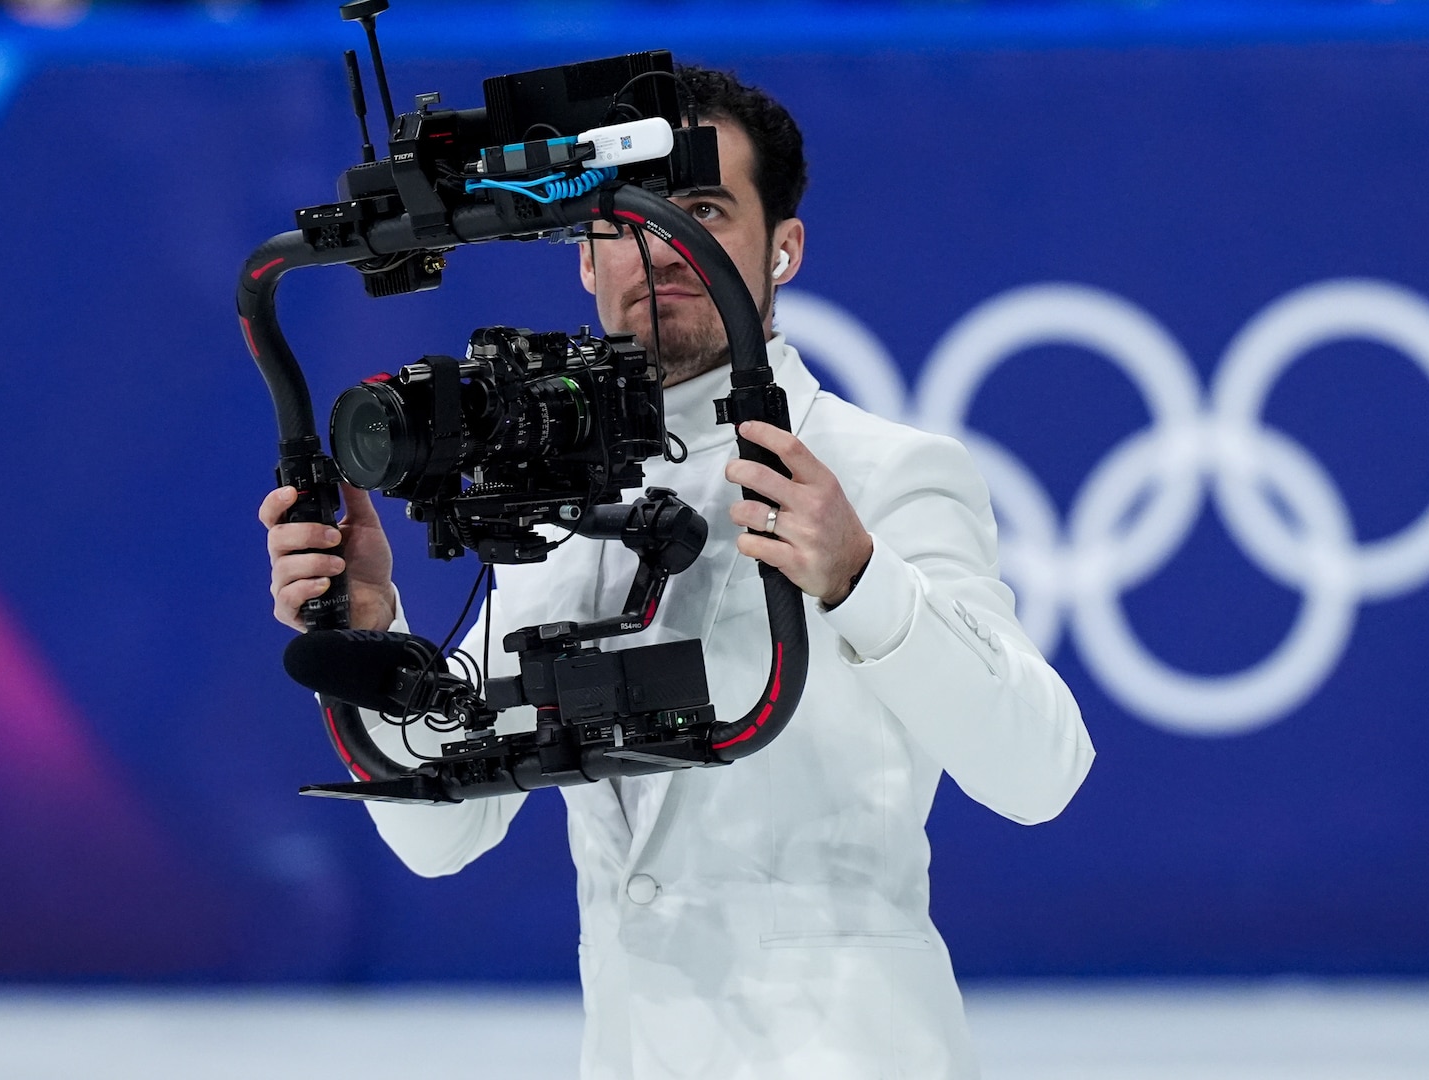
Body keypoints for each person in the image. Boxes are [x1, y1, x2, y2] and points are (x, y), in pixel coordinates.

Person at [260, 67, 1094, 1079]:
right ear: (580, 258)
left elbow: (1040, 771)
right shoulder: (543, 498)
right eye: (622, 215)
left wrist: (859, 576)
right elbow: (447, 833)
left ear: (782, 248)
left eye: (697, 208)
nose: (658, 245)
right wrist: (373, 621)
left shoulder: (883, 474)